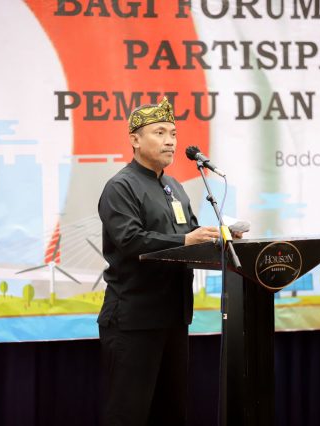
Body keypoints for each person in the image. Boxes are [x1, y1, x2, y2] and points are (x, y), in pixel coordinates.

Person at [97, 97, 221, 426]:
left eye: (173, 133)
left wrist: (218, 237)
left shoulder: (174, 186)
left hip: (173, 318)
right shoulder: (121, 186)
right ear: (135, 140)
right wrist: (187, 240)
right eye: (160, 132)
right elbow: (130, 240)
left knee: (171, 413)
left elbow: (190, 234)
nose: (170, 141)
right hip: (134, 320)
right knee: (129, 414)